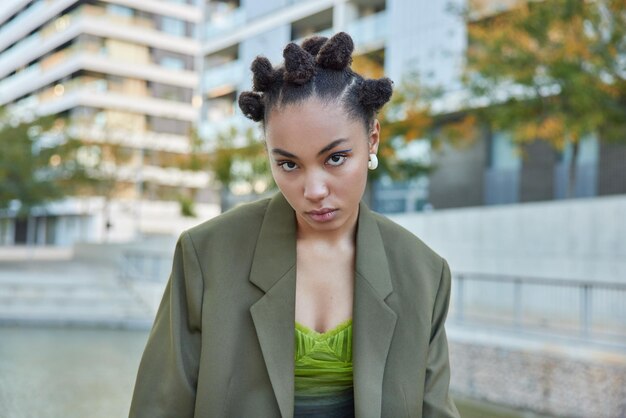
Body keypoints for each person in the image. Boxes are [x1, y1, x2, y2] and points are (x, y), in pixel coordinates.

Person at [129, 32, 459, 418]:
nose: (314, 190)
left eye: (335, 158)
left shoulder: (424, 273)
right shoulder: (205, 255)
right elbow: (159, 407)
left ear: (372, 139)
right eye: (288, 164)